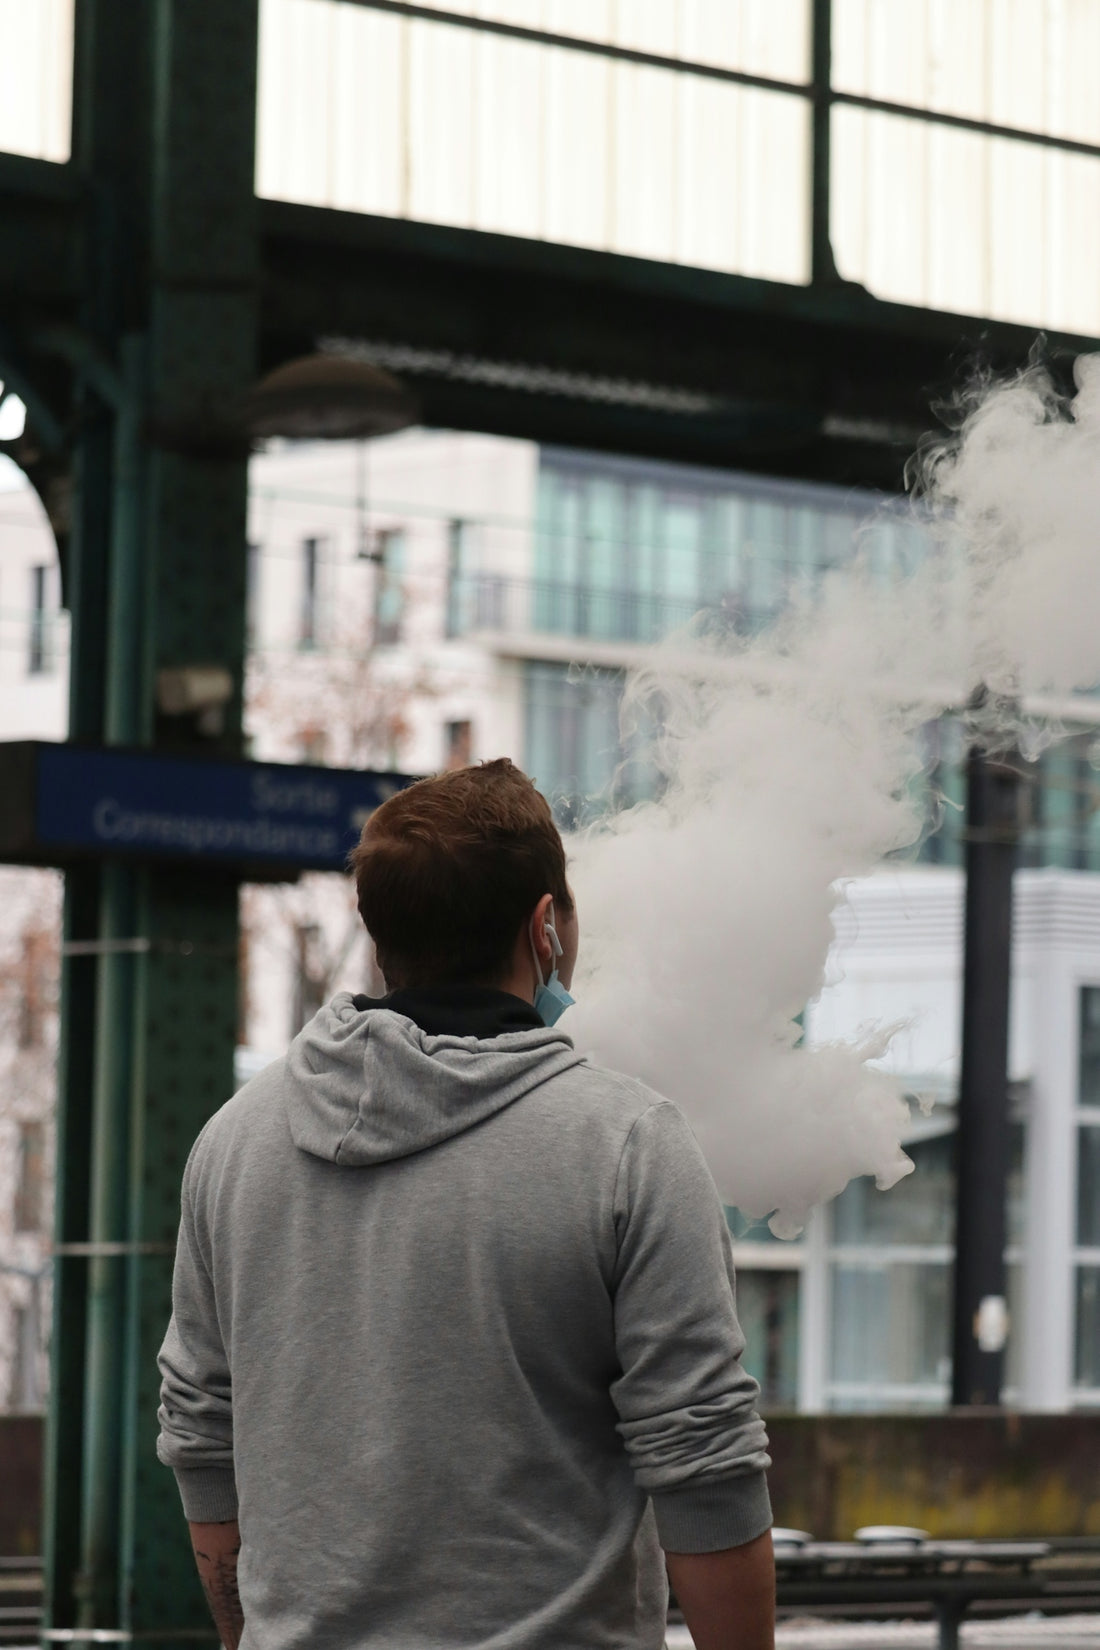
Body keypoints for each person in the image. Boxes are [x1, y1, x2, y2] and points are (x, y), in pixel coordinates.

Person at [157, 758, 775, 1650]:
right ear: (544, 929)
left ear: (380, 939)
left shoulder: (234, 1140)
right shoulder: (628, 1144)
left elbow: (202, 1437)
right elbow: (706, 1468)